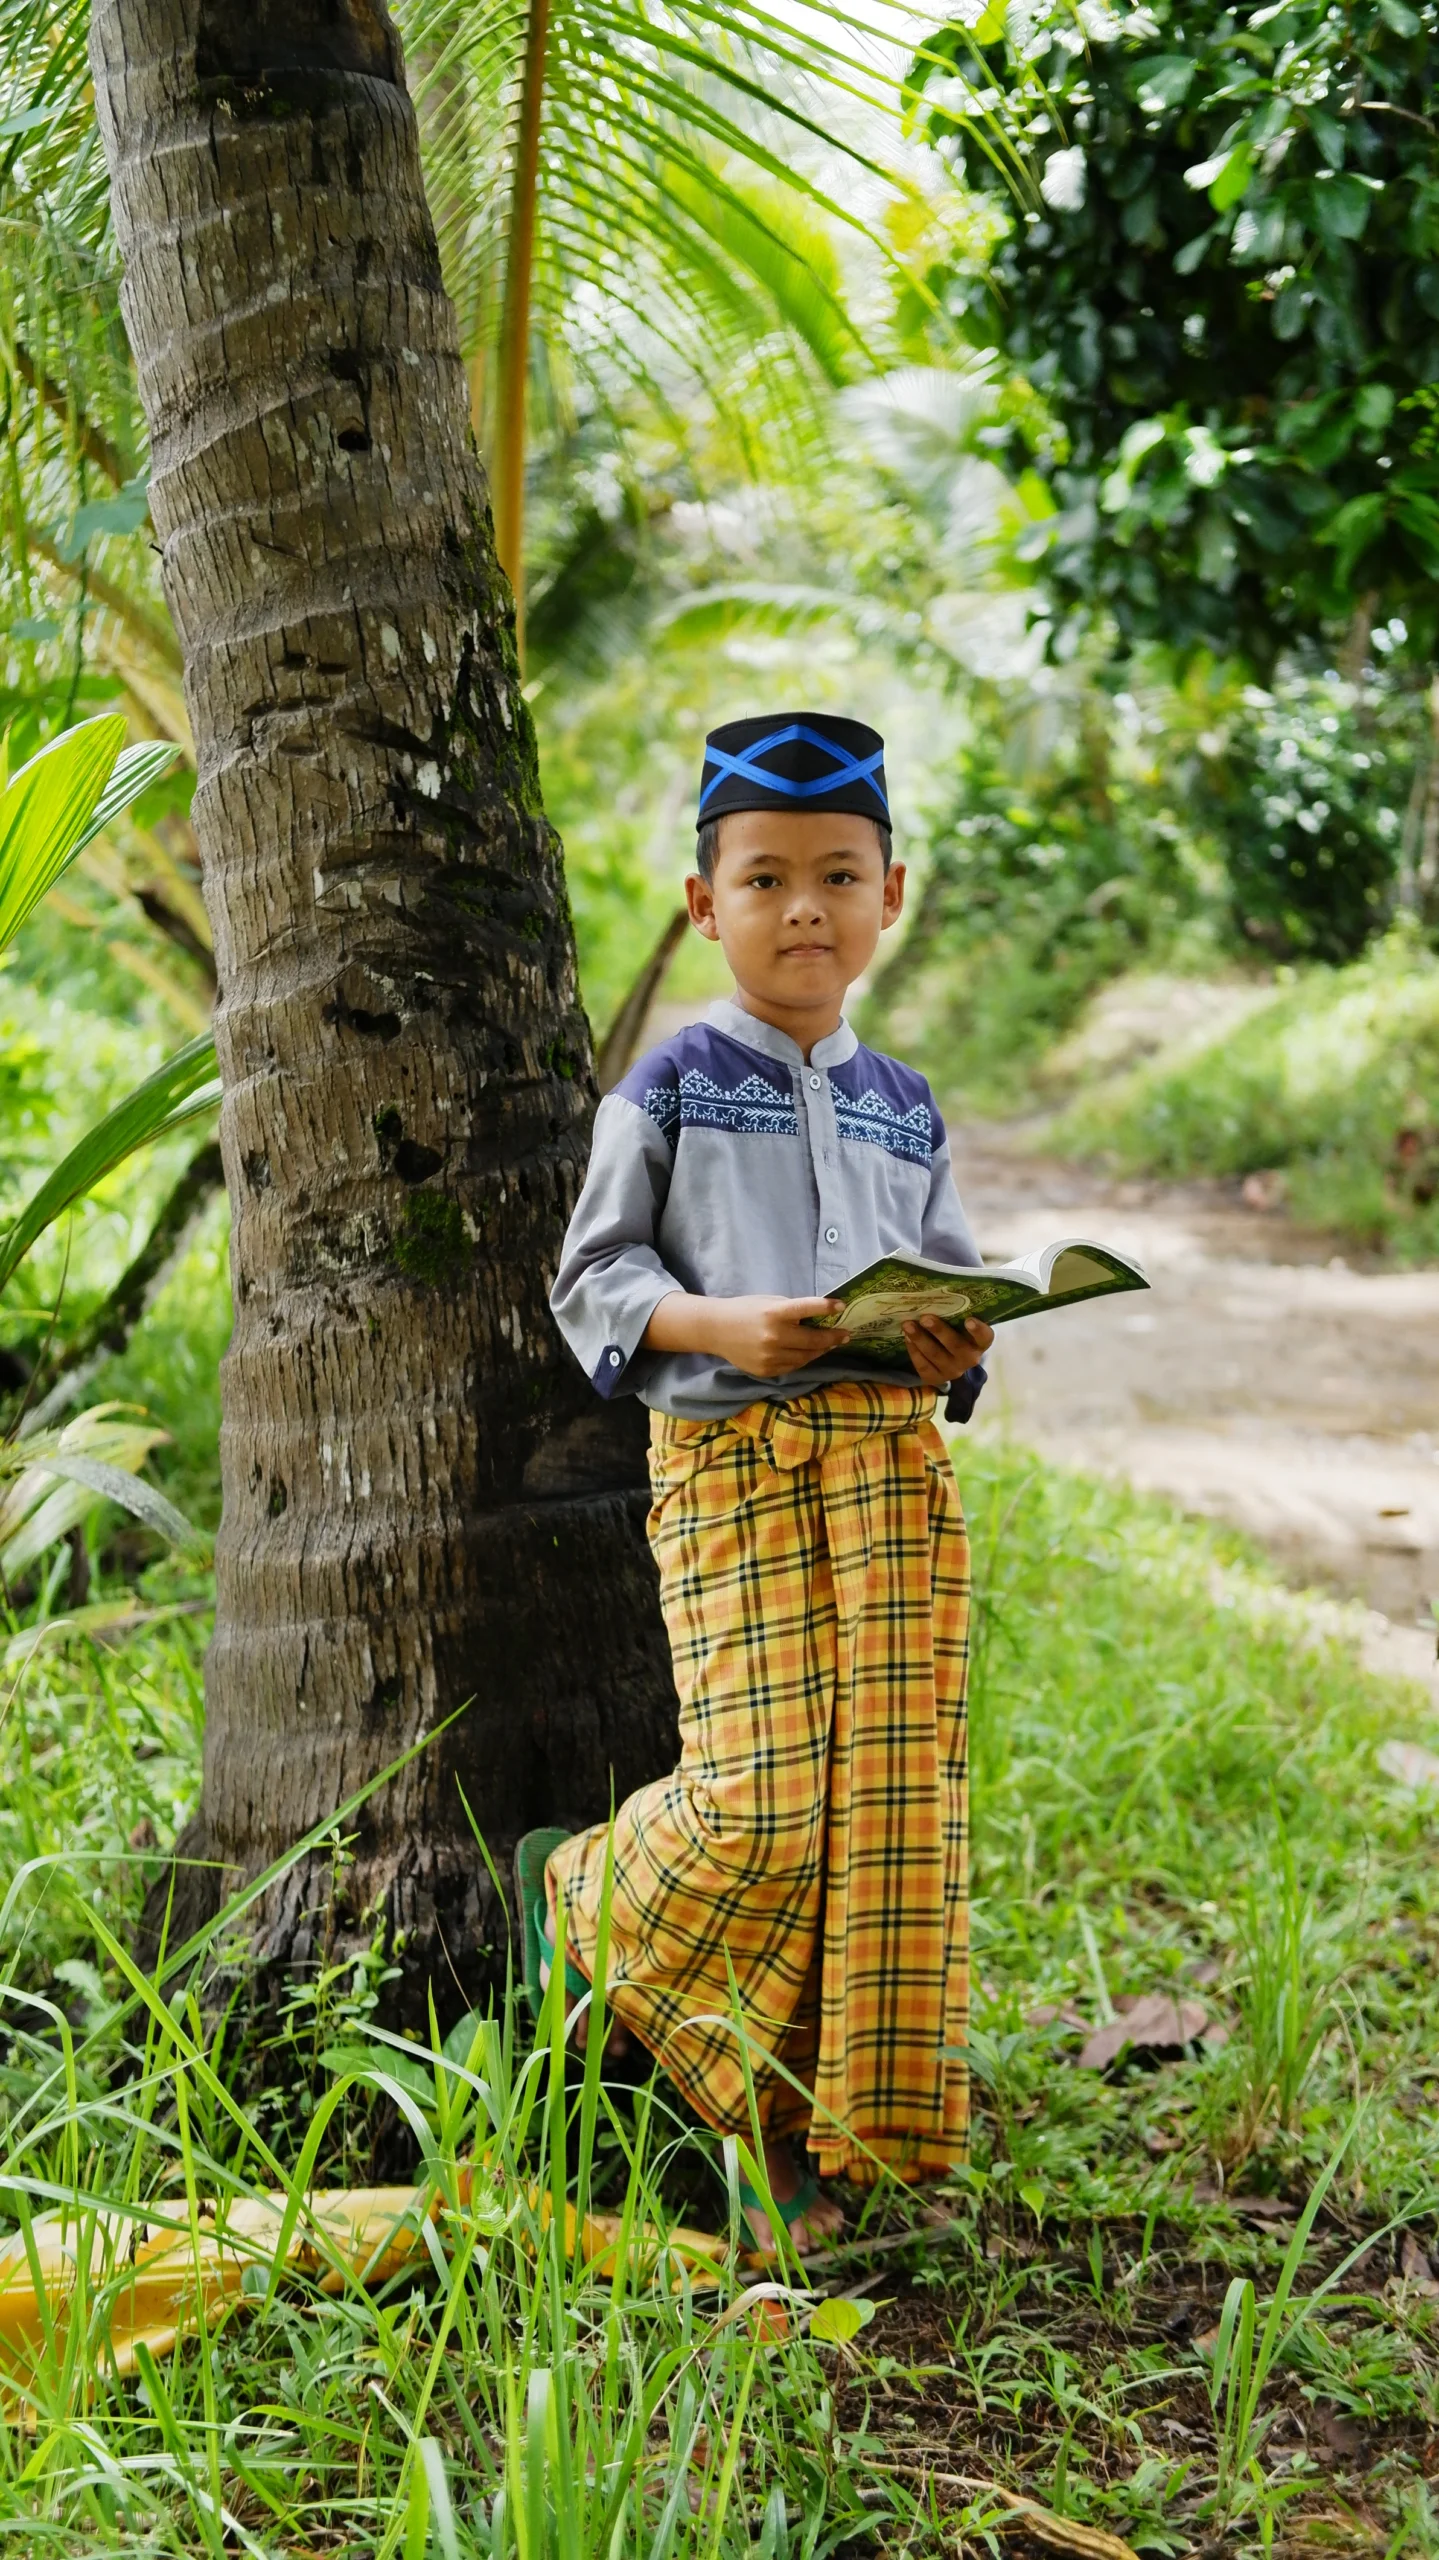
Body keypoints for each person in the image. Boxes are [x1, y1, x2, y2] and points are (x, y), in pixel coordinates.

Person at [523, 712, 991, 2258]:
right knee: (764, 1810)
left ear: (891, 895)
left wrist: (950, 1343)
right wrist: (726, 1324)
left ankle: (804, 2144)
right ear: (699, 903)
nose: (804, 906)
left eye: (836, 875)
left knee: (884, 1826)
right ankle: (585, 1898)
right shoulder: (665, 1086)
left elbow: (953, 1297)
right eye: (767, 877)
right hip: (729, 1467)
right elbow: (591, 1277)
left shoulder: (905, 1104)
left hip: (888, 1482)